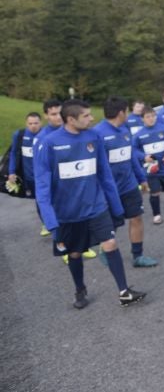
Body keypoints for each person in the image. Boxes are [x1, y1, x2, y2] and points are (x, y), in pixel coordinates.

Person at [35, 99, 146, 309]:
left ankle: (124, 291)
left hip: (97, 206)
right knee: (75, 253)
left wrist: (116, 209)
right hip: (68, 213)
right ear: (70, 119)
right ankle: (80, 289)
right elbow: (42, 187)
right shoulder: (50, 143)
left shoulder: (94, 137)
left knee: (111, 243)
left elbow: (105, 175)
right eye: (86, 116)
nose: (92, 118)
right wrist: (50, 222)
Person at [94, 97, 158, 267]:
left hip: (129, 185)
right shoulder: (97, 133)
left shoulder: (125, 130)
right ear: (121, 112)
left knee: (136, 218)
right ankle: (105, 249)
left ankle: (138, 256)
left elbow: (130, 158)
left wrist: (142, 179)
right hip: (109, 189)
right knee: (111, 224)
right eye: (127, 111)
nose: (129, 114)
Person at [32, 100, 98, 258]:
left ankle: (81, 245)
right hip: (56, 187)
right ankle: (64, 247)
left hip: (74, 184)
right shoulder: (43, 138)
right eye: (53, 114)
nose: (57, 117)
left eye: (58, 113)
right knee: (61, 217)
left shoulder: (75, 132)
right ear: (46, 116)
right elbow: (40, 171)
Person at [133, 106, 164, 224]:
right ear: (142, 119)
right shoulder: (138, 135)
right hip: (151, 169)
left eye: (153, 116)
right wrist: (143, 157)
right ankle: (157, 215)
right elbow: (133, 150)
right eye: (148, 117)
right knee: (154, 192)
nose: (151, 119)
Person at [6, 112, 42, 203]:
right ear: (26, 124)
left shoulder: (47, 135)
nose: (33, 126)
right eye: (30, 123)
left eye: (36, 123)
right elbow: (13, 153)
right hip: (27, 178)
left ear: (40, 123)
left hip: (43, 178)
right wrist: (11, 172)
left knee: (44, 201)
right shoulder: (19, 135)